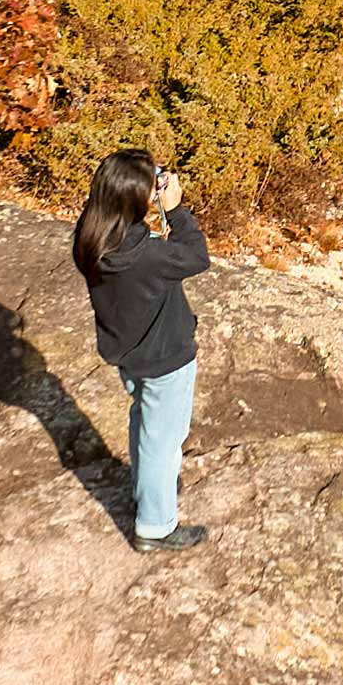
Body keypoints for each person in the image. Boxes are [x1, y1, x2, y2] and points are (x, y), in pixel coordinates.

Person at [71, 149, 214, 554]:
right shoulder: (148, 256)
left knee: (145, 424)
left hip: (128, 354)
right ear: (136, 199)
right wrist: (177, 210)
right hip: (166, 358)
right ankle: (156, 525)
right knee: (163, 442)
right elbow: (197, 257)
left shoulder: (90, 237)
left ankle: (148, 488)